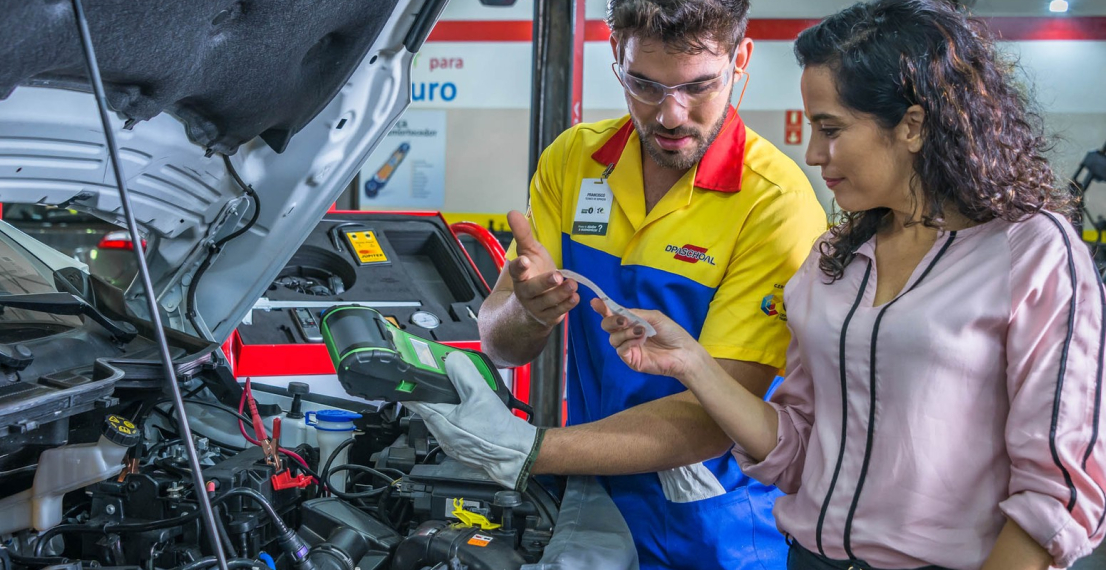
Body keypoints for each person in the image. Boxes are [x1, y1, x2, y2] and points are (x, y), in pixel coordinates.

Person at [591, 1, 1106, 569]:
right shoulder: (833, 262)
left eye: (830, 129)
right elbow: (798, 448)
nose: (813, 154)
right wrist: (692, 364)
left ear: (912, 126)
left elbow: (1056, 494)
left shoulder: (1029, 252)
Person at [407, 1, 828, 568]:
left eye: (698, 86)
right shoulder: (574, 161)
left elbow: (716, 417)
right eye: (644, 85)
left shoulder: (775, 206)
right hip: (591, 503)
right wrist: (528, 313)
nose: (671, 115)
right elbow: (500, 342)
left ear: (740, 60)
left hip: (713, 532)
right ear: (616, 56)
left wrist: (529, 449)